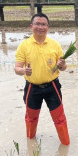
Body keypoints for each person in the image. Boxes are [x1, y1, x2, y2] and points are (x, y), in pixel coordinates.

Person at [14, 13, 70, 145]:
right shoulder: (24, 45)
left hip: (52, 87)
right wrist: (24, 71)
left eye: (43, 24)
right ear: (31, 26)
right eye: (37, 24)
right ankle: (30, 143)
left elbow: (63, 68)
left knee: (59, 118)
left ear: (48, 27)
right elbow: (17, 69)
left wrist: (62, 65)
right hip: (32, 88)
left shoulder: (55, 45)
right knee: (31, 118)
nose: (40, 27)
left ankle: (65, 144)